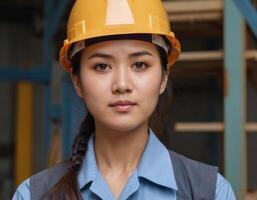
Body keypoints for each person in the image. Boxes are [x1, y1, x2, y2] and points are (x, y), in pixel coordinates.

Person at [13, 0, 236, 199]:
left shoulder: (210, 192)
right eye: (102, 66)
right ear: (77, 81)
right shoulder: (34, 194)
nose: (121, 84)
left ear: (163, 77)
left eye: (140, 65)